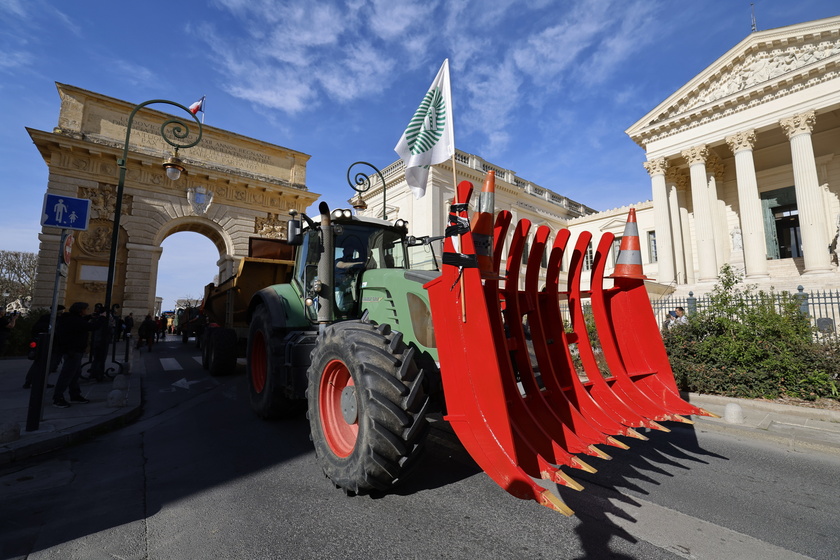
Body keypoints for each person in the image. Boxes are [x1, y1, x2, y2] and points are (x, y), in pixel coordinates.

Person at [52, 302, 96, 408]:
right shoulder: (73, 320)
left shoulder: (69, 318)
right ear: (80, 310)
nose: (87, 311)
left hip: (73, 351)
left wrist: (90, 316)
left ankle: (75, 395)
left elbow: (80, 323)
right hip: (73, 351)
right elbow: (90, 327)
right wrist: (103, 319)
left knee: (75, 374)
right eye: (86, 309)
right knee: (67, 375)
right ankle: (57, 398)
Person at [23, 305, 64, 389]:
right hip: (52, 345)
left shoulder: (44, 318)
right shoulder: (56, 320)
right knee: (48, 365)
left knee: (38, 363)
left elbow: (34, 329)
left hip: (41, 344)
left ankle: (29, 381)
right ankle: (41, 382)